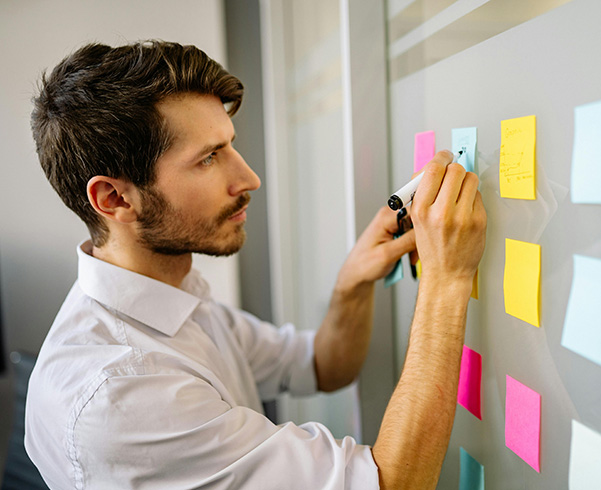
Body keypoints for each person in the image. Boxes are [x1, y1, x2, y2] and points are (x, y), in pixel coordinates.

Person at [25, 40, 486, 490]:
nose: (249, 178)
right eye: (207, 159)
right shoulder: (122, 393)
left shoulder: (174, 299)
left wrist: (352, 284)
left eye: (230, 145)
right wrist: (447, 280)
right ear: (114, 198)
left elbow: (323, 365)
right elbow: (392, 484)